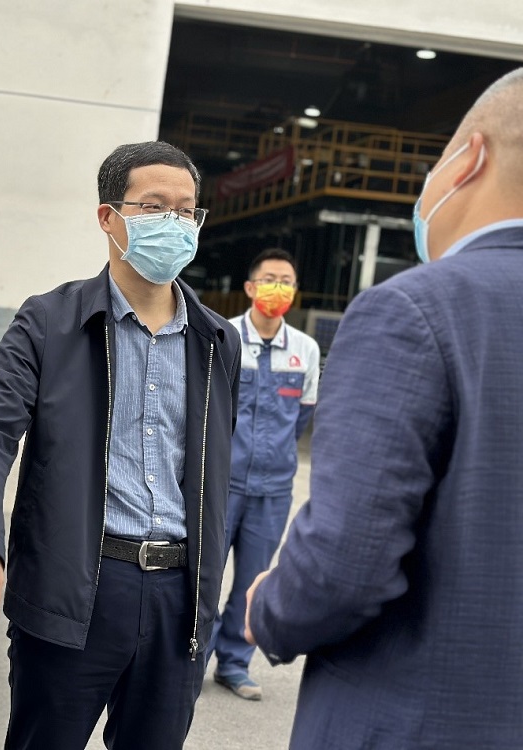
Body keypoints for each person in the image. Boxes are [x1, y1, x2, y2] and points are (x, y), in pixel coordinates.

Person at [244, 68, 523, 748]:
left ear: (469, 159)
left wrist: (271, 608)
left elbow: (347, 562)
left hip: (416, 720)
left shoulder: (414, 310)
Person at [0, 141, 241, 750]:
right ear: (108, 217)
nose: (174, 223)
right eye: (154, 207)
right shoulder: (50, 321)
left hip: (178, 597)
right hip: (75, 585)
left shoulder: (216, 341)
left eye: (186, 211)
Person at [208, 248, 319, 701]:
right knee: (203, 576)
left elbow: (302, 417)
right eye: (270, 279)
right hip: (220, 484)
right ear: (251, 287)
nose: (278, 288)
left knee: (253, 580)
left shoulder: (305, 350)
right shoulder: (223, 335)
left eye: (286, 281)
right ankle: (189, 662)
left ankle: (234, 664)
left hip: (272, 491)